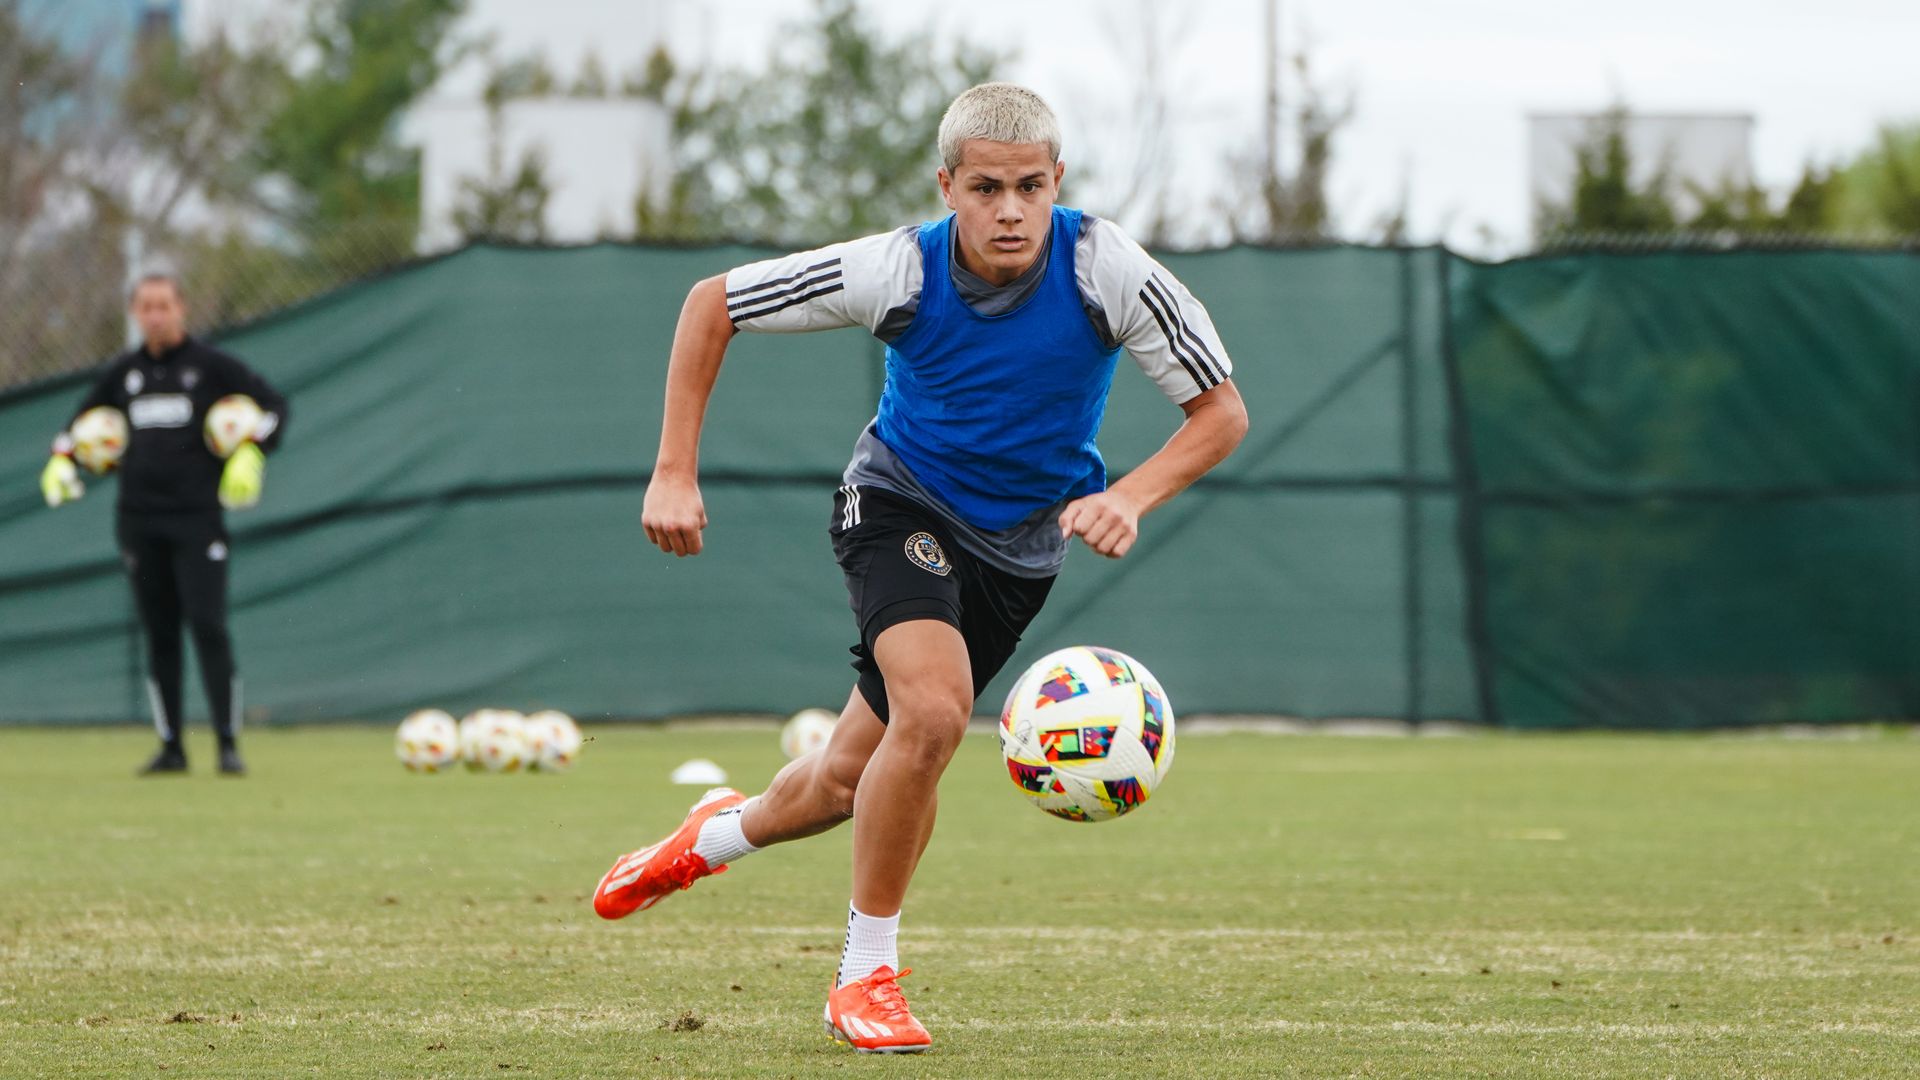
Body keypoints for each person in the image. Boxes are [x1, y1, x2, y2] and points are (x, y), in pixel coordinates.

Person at [592, 83, 1247, 1053]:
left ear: (1058, 180)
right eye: (986, 189)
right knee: (935, 716)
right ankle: (866, 977)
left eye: (1030, 187)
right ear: (948, 187)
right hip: (897, 506)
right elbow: (711, 304)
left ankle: (710, 837)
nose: (1010, 210)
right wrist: (673, 470)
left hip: (1019, 554)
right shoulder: (898, 270)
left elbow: (1221, 412)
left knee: (842, 781)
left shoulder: (1107, 269)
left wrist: (1130, 496)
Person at [40, 272, 288, 777]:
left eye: (164, 305)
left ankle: (227, 744)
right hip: (139, 520)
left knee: (208, 625)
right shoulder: (124, 374)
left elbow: (275, 409)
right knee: (160, 633)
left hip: (198, 519)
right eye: (146, 307)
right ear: (135, 313)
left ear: (182, 309)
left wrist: (252, 450)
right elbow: (77, 427)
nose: (155, 316)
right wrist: (63, 459)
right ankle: (171, 746)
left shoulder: (212, 366)